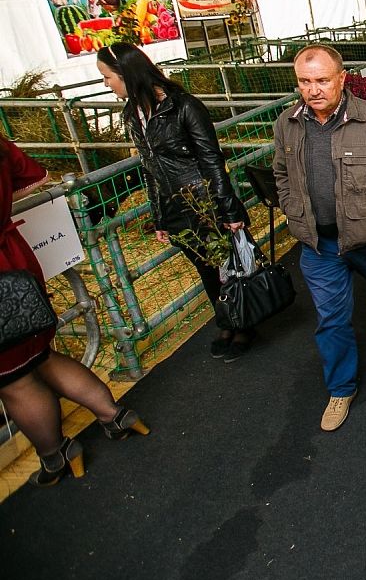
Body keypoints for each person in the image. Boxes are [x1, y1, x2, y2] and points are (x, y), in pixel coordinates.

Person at [272, 44, 366, 431]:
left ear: (341, 79)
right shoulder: (286, 124)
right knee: (330, 320)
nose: (313, 89)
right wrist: (291, 208)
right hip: (318, 245)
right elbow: (281, 174)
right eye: (305, 82)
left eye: (322, 80)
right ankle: (341, 389)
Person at [0, 137, 149, 487]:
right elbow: (38, 179)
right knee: (40, 355)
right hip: (15, 261)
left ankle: (56, 454)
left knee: (13, 380)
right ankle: (116, 416)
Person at [96, 43, 252, 360]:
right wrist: (159, 217)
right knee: (205, 270)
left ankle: (244, 322)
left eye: (107, 77)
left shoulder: (183, 106)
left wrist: (229, 208)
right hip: (175, 208)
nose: (105, 84)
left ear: (126, 74)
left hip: (205, 204)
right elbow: (150, 169)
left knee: (227, 267)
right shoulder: (132, 115)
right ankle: (226, 321)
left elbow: (211, 160)